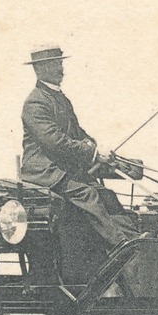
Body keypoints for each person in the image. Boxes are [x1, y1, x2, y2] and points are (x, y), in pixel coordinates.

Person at [17, 45, 138, 248]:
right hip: (44, 172)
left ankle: (136, 239)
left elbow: (77, 133)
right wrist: (93, 153)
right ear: (39, 69)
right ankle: (121, 245)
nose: (59, 68)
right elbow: (55, 142)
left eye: (60, 62)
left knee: (106, 195)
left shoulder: (59, 98)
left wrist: (97, 148)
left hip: (63, 170)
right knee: (88, 194)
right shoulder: (35, 102)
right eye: (53, 64)